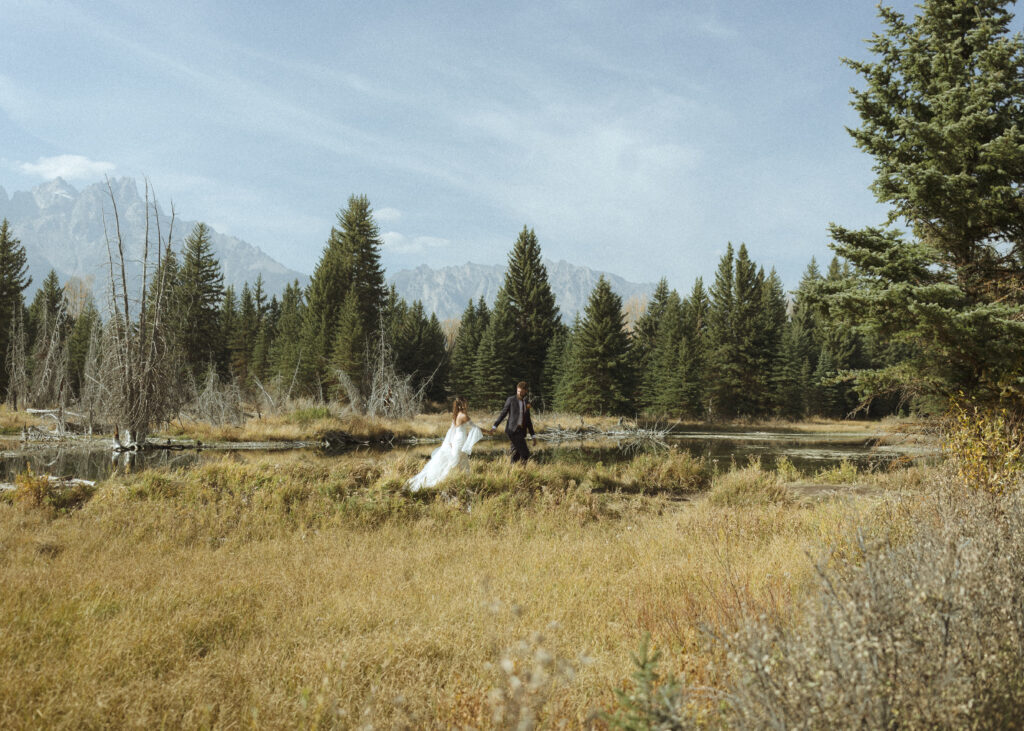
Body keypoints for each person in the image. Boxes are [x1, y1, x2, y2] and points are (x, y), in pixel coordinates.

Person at [407, 397, 484, 492]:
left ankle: (464, 483)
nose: (467, 404)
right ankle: (442, 482)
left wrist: (451, 441)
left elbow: (454, 430)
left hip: (458, 440)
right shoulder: (463, 416)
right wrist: (489, 431)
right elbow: (475, 428)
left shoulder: (456, 415)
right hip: (459, 441)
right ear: (462, 405)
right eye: (465, 403)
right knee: (454, 463)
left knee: (462, 461)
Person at [492, 381, 535, 463]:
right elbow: (503, 413)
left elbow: (528, 421)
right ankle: (522, 471)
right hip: (512, 430)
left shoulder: (526, 403)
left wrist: (533, 435)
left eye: (521, 392)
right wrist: (495, 426)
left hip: (521, 431)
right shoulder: (511, 400)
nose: (519, 393)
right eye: (518, 391)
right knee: (525, 453)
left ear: (526, 391)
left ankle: (513, 472)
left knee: (516, 453)